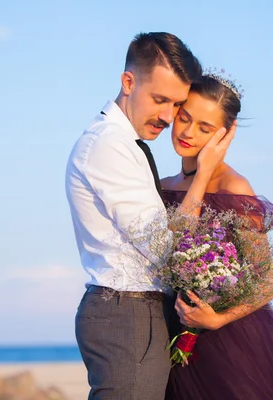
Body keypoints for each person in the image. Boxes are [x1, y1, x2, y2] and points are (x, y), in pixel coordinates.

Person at [64, 33, 235, 400]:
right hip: (127, 315)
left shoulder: (125, 143)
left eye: (176, 104)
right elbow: (165, 248)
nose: (167, 117)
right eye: (159, 100)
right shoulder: (109, 144)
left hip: (137, 314)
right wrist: (203, 174)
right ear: (128, 82)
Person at [161, 72, 273, 400]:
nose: (188, 132)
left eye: (205, 128)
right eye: (184, 118)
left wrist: (218, 318)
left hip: (229, 342)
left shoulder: (233, 188)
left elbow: (265, 280)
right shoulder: (163, 186)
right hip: (171, 334)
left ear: (225, 135)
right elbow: (173, 243)